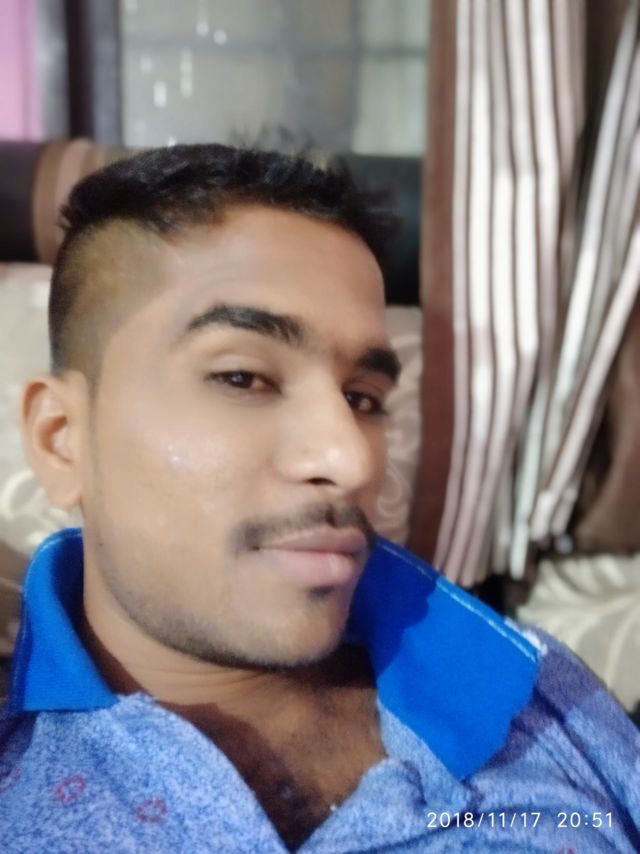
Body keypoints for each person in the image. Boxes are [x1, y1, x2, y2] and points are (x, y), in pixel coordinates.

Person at [1, 143, 638, 853]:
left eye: (363, 398)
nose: (351, 459)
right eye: (243, 377)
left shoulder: (532, 685)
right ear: (62, 439)